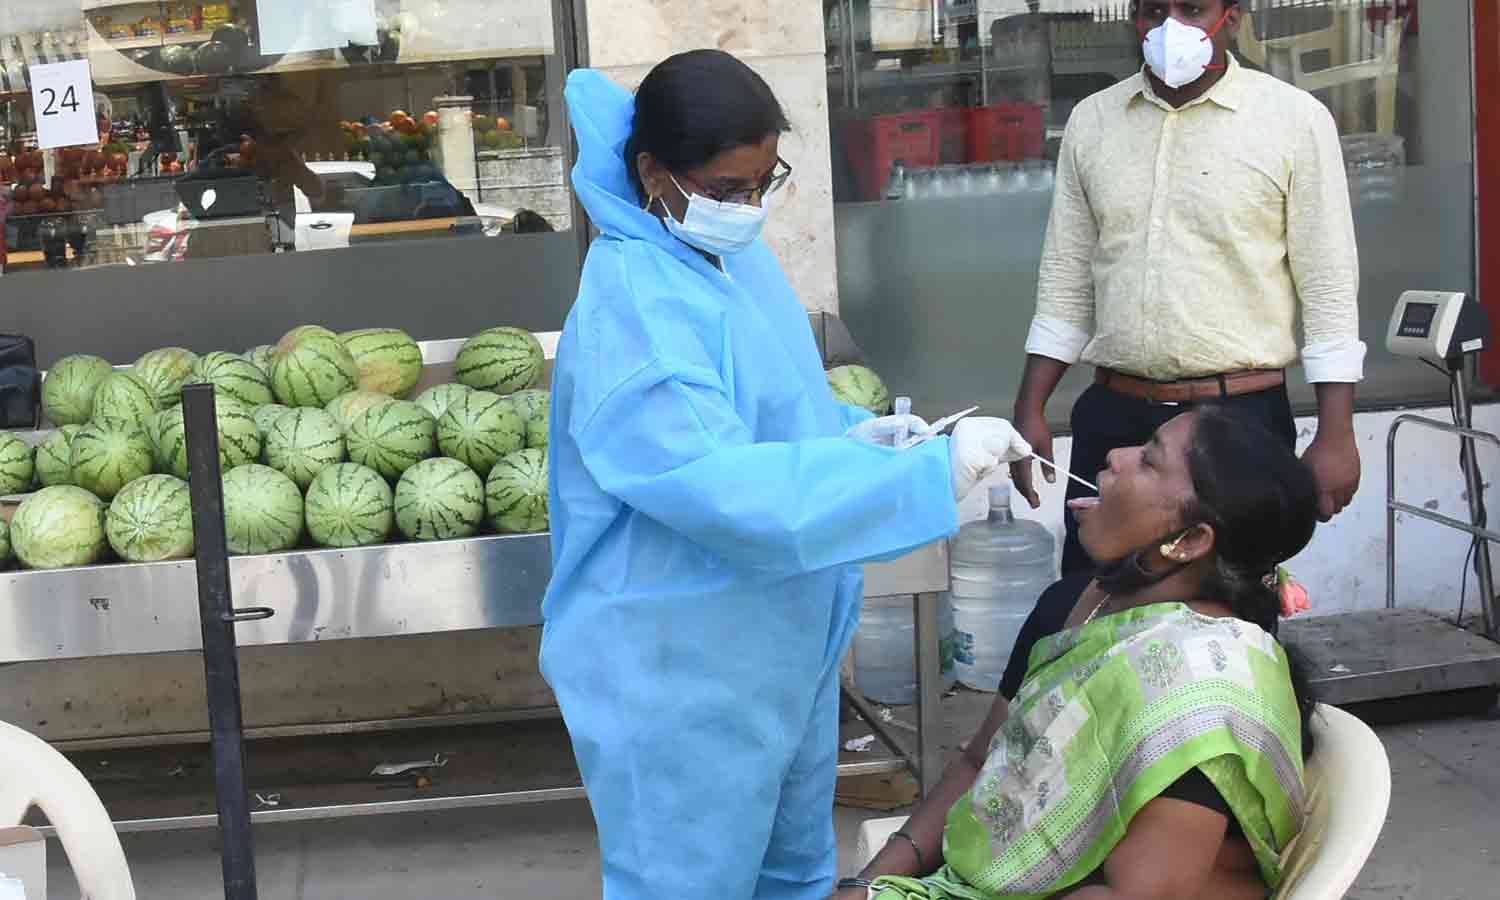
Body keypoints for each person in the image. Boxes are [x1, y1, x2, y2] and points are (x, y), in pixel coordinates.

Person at [543, 50, 1033, 900]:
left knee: (793, 876)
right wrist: (923, 479)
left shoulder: (728, 262)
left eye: (765, 184)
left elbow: (779, 415)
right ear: (653, 172)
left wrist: (880, 439)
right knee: (689, 883)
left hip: (775, 645)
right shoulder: (634, 302)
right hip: (679, 667)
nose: (748, 208)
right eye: (728, 190)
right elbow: (726, 486)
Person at [837, 405, 1319, 900]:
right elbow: (981, 760)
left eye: (1149, 461)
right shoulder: (1071, 604)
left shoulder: (1197, 699)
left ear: (1191, 540)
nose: (1116, 456)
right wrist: (866, 881)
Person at [1008, 0, 1365, 578]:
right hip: (1117, 421)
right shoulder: (1094, 121)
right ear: (1131, 16)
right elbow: (1066, 280)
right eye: (1153, 9)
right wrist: (1029, 409)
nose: (1172, 27)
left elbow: (1327, 289)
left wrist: (1337, 432)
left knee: (1233, 611)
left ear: (1234, 14)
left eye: (1193, 8)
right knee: (1095, 602)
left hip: (1238, 427)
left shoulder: (1294, 120)